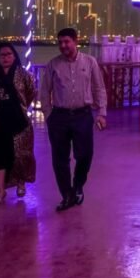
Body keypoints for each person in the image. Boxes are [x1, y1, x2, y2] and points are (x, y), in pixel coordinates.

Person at [40, 27, 107, 212]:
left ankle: (78, 185)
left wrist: (101, 113)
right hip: (59, 117)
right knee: (59, 159)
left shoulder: (90, 62)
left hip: (82, 115)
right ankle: (67, 195)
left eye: (67, 41)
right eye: (60, 42)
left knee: (85, 155)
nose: (63, 45)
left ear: (76, 41)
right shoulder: (53, 65)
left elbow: (99, 88)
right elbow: (44, 91)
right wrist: (48, 115)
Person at [0, 42, 36, 205]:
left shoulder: (24, 75)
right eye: (2, 55)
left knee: (20, 154)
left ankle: (20, 181)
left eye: (9, 54)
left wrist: (20, 106)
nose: (6, 57)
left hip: (18, 121)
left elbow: (30, 94)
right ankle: (1, 191)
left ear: (15, 56)